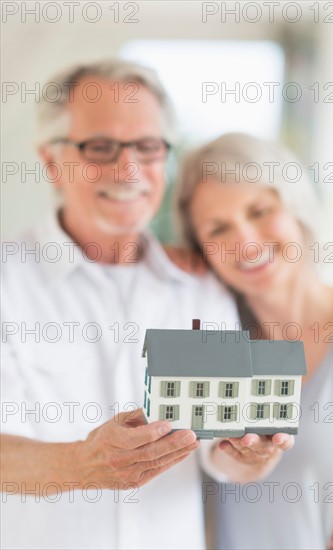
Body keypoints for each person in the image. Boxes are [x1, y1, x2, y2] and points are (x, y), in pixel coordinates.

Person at [1, 62, 294, 550]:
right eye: (99, 147)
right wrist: (82, 462)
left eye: (148, 147)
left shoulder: (202, 285)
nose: (129, 169)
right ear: (52, 163)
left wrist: (249, 456)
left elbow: (216, 452)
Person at [173, 133, 333, 550]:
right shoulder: (210, 343)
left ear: (296, 209)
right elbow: (209, 457)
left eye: (260, 210)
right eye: (218, 228)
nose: (244, 241)